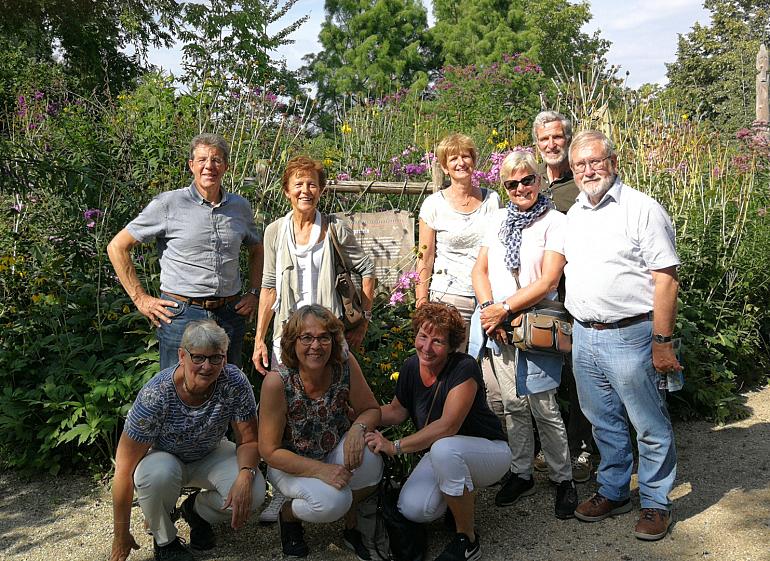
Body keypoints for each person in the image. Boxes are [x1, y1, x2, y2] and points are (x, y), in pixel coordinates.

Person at [565, 130, 681, 541]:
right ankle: (614, 489)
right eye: (580, 164)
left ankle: (654, 501)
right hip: (585, 335)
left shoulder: (641, 209)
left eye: (595, 161)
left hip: (631, 334)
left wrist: (662, 341)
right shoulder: (575, 212)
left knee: (649, 424)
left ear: (613, 163)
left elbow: (665, 278)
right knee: (603, 422)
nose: (588, 170)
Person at [471, 149, 578, 519]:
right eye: (512, 183)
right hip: (499, 323)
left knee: (544, 405)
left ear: (539, 180)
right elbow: (479, 271)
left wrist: (506, 309)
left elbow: (550, 278)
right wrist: (490, 311)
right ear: (505, 186)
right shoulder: (497, 219)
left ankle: (563, 478)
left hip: (536, 324)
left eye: (527, 180)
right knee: (514, 404)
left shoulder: (555, 221)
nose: (520, 188)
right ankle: (521, 472)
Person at [365, 302, 511, 561]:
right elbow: (397, 411)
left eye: (438, 341)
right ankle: (456, 505)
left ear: (451, 345)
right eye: (423, 336)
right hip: (446, 453)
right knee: (413, 509)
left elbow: (448, 426)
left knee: (444, 447)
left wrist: (394, 446)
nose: (427, 347)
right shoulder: (412, 366)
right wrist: (361, 416)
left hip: (489, 452)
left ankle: (467, 540)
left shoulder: (464, 367)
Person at [110, 320, 265, 561]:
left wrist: (245, 474)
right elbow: (123, 469)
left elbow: (248, 440)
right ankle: (165, 542)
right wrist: (121, 534)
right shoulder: (156, 395)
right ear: (182, 356)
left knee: (254, 490)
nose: (207, 366)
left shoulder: (234, 381)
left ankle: (196, 511)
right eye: (198, 358)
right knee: (154, 476)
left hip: (212, 451)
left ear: (224, 358)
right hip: (165, 457)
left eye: (216, 358)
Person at [107, 133, 262, 370]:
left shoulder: (240, 207)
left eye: (216, 160)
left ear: (226, 166)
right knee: (177, 392)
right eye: (202, 160)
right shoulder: (168, 204)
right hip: (180, 316)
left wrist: (253, 292)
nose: (209, 166)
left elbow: (257, 249)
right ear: (191, 165)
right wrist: (140, 299)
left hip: (229, 315)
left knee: (228, 390)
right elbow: (117, 246)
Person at [258, 304, 383, 559]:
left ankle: (351, 525)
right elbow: (269, 451)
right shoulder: (277, 381)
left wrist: (358, 429)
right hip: (290, 464)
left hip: (333, 449)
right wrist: (322, 471)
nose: (316, 346)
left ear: (333, 341)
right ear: (293, 342)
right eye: (307, 338)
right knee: (332, 503)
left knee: (370, 456)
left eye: (324, 337)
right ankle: (289, 515)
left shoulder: (344, 365)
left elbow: (371, 409)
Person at [252, 155, 375, 376]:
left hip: (328, 337)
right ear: (287, 191)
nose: (305, 191)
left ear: (321, 190)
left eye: (312, 184)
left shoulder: (335, 228)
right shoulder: (275, 231)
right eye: (298, 185)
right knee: (286, 398)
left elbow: (367, 269)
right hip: (287, 334)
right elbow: (269, 286)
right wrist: (259, 339)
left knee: (332, 399)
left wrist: (363, 323)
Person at [531, 110, 594, 483]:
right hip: (541, 297)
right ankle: (555, 446)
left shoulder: (583, 183)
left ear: (567, 140)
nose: (551, 145)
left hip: (578, 295)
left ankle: (584, 449)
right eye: (544, 140)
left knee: (579, 376)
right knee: (546, 375)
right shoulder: (532, 184)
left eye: (557, 138)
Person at [415, 133, 501, 344]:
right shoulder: (433, 205)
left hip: (488, 298)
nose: (461, 163)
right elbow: (425, 257)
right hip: (448, 298)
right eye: (453, 158)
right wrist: (422, 303)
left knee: (489, 370)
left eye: (466, 156)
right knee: (450, 365)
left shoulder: (492, 200)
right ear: (445, 167)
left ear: (473, 161)